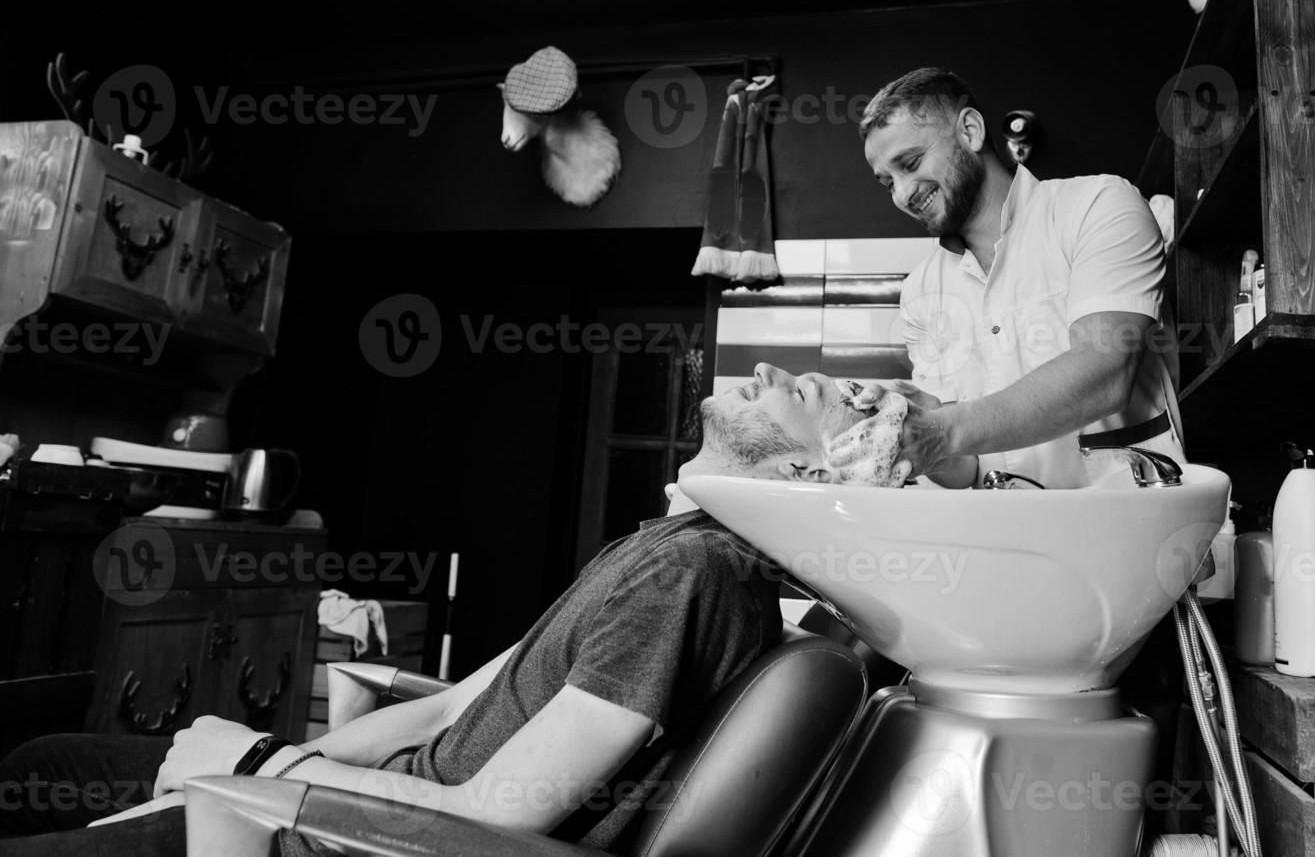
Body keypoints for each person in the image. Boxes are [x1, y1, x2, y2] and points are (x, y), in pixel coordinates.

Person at [0, 365, 875, 857]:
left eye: (802, 392)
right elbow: (460, 702)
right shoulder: (662, 547)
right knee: (42, 761)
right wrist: (289, 752)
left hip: (354, 840)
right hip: (334, 794)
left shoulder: (692, 576)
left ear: (804, 475)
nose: (768, 373)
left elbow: (498, 815)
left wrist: (261, 771)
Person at [855, 67, 1186, 489]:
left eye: (911, 163)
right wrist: (920, 434)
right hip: (1006, 538)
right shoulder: (920, 292)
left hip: (1133, 529)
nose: (902, 194)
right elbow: (966, 468)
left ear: (970, 131)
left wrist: (945, 429)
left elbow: (1106, 373)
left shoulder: (1098, 206)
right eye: (888, 183)